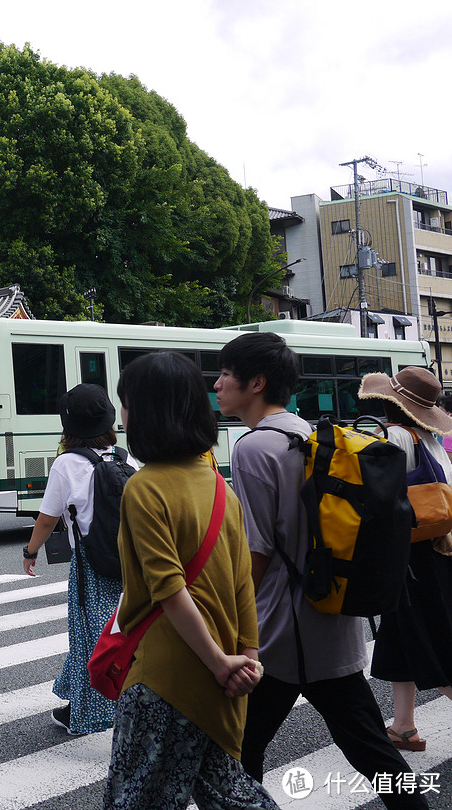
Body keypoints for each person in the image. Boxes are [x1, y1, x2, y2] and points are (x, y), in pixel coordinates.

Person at [216, 331, 427, 810]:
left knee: (239, 750)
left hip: (282, 632)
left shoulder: (252, 449)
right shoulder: (312, 434)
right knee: (371, 750)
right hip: (332, 614)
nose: (218, 385)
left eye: (227, 374)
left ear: (256, 383)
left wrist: (230, 612)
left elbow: (260, 548)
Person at [102, 352, 275, 810]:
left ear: (146, 412)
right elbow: (242, 584)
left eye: (127, 403)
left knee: (137, 797)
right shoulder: (219, 484)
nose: (123, 415)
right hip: (223, 675)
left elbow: (169, 589)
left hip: (167, 675)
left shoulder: (144, 487)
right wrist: (245, 661)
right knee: (229, 794)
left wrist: (222, 663)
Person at [20, 383, 132, 736]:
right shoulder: (127, 458)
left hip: (91, 564)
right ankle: (84, 698)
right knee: (126, 631)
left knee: (91, 637)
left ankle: (91, 711)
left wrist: (30, 551)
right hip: (132, 562)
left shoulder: (66, 464)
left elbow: (47, 518)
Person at [359, 367, 452, 753]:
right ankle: (404, 726)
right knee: (400, 638)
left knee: (434, 643)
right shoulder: (430, 440)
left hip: (414, 559)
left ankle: (404, 726)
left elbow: (372, 492)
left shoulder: (395, 436)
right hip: (437, 552)